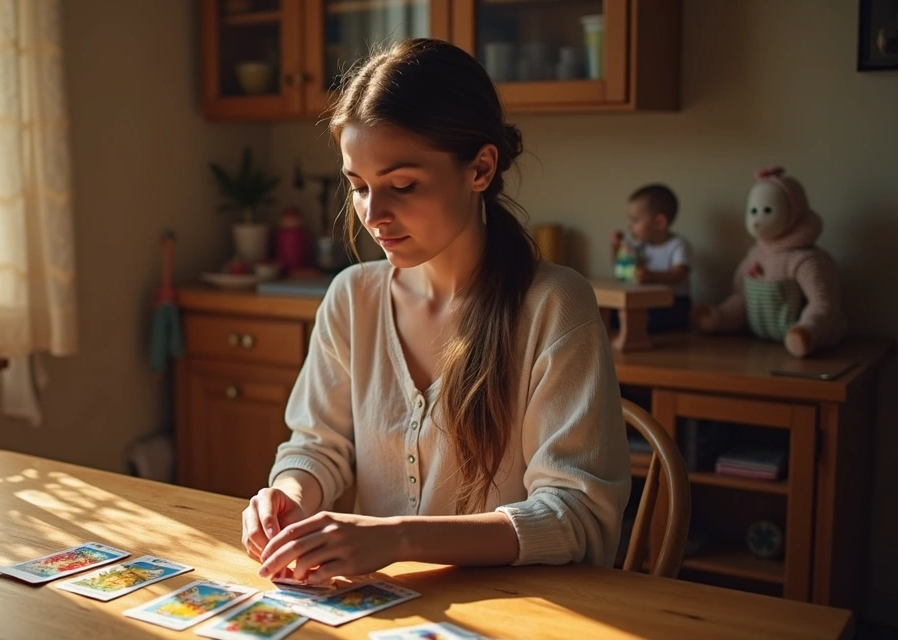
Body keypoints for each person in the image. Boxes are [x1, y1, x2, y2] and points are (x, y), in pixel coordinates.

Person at [239, 38, 630, 586]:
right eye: (359, 187)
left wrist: (398, 537)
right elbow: (317, 446)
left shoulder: (553, 306)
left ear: (480, 169)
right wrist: (289, 494)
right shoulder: (352, 298)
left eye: (403, 185)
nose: (375, 215)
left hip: (518, 611)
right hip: (386, 610)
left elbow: (578, 516)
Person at [609, 184, 694, 332]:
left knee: (649, 319)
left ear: (659, 222)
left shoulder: (678, 245)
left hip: (672, 303)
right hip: (645, 302)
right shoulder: (639, 245)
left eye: (635, 221)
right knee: (612, 314)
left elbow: (679, 274)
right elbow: (619, 266)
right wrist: (616, 248)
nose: (630, 226)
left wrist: (651, 276)